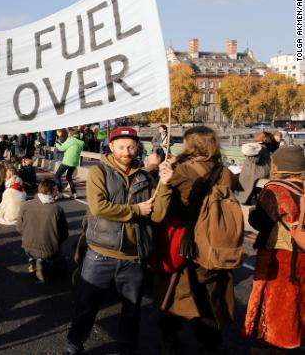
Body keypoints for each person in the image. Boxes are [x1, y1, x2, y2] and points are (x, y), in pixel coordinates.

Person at [65, 127, 168, 355]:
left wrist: (166, 183)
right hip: (100, 254)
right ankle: (75, 342)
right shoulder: (99, 172)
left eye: (131, 147)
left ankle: (127, 348)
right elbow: (99, 207)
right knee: (87, 306)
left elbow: (158, 213)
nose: (126, 152)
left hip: (133, 256)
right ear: (111, 147)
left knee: (132, 310)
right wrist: (135, 209)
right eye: (121, 147)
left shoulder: (145, 176)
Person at [152, 126, 235, 354]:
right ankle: (210, 344)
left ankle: (169, 340)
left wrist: (159, 170)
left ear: (190, 144)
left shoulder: (181, 170)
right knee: (210, 296)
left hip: (186, 241)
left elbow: (162, 202)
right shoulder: (224, 171)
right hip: (215, 241)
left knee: (173, 293)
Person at [244, 145, 305, 351]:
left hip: (281, 258)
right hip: (302, 254)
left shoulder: (276, 189)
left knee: (277, 308)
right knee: (298, 305)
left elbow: (261, 221)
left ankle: (277, 345)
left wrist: (253, 212)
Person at [18, 179, 69, 282]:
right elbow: (64, 234)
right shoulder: (57, 209)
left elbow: (19, 227)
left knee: (33, 253)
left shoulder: (26, 205)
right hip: (49, 249)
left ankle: (33, 261)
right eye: (56, 190)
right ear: (52, 191)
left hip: (28, 246)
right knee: (63, 266)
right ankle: (45, 263)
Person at [55, 128, 84, 199]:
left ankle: (60, 194)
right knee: (68, 177)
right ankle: (74, 194)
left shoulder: (70, 140)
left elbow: (61, 148)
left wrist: (56, 143)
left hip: (67, 161)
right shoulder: (81, 142)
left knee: (57, 176)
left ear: (71, 134)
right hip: (75, 162)